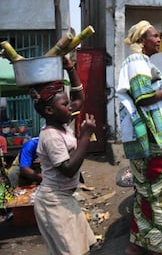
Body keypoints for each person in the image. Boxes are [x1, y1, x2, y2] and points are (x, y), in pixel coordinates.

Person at [116, 20, 162, 255]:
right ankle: (156, 245)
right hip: (148, 141)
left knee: (147, 194)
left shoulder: (141, 62)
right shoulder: (136, 61)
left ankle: (139, 245)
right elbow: (143, 96)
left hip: (151, 141)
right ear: (141, 41)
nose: (158, 40)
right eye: (154, 36)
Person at [29, 56, 97, 255]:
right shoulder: (50, 136)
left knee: (81, 248)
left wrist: (71, 69)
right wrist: (85, 136)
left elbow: (79, 99)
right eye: (65, 105)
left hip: (65, 198)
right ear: (49, 110)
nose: (70, 107)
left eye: (68, 104)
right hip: (53, 203)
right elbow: (68, 169)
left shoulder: (61, 122)